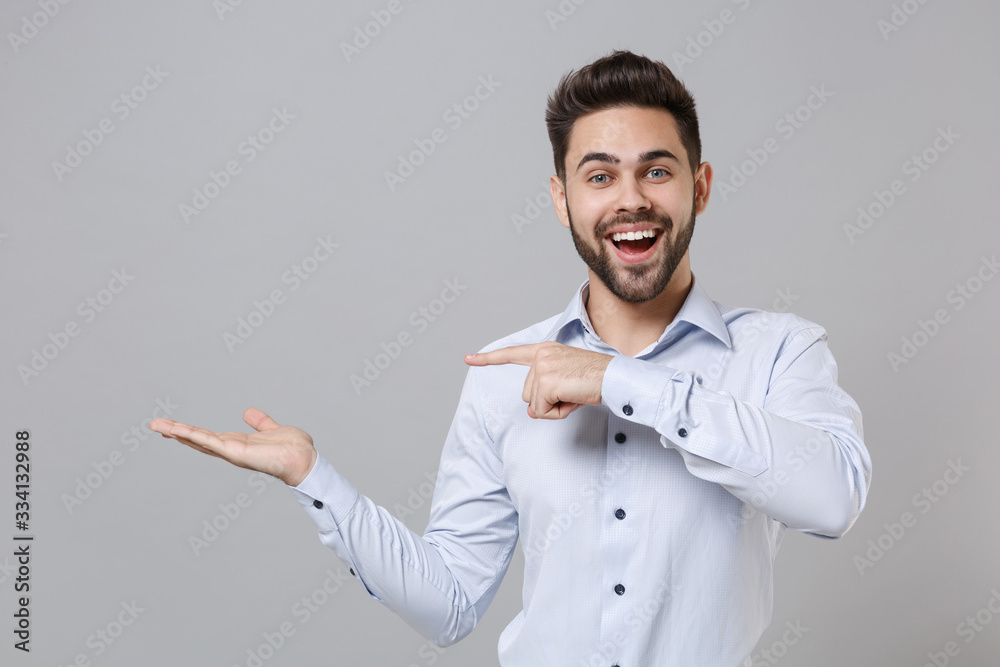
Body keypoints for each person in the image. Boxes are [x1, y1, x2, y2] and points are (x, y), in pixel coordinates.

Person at [150, 50, 872, 666]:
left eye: (656, 171)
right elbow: (450, 602)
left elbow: (833, 497)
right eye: (599, 176)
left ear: (699, 187)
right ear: (561, 199)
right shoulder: (502, 374)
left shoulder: (779, 351)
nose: (630, 200)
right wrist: (317, 481)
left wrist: (620, 381)